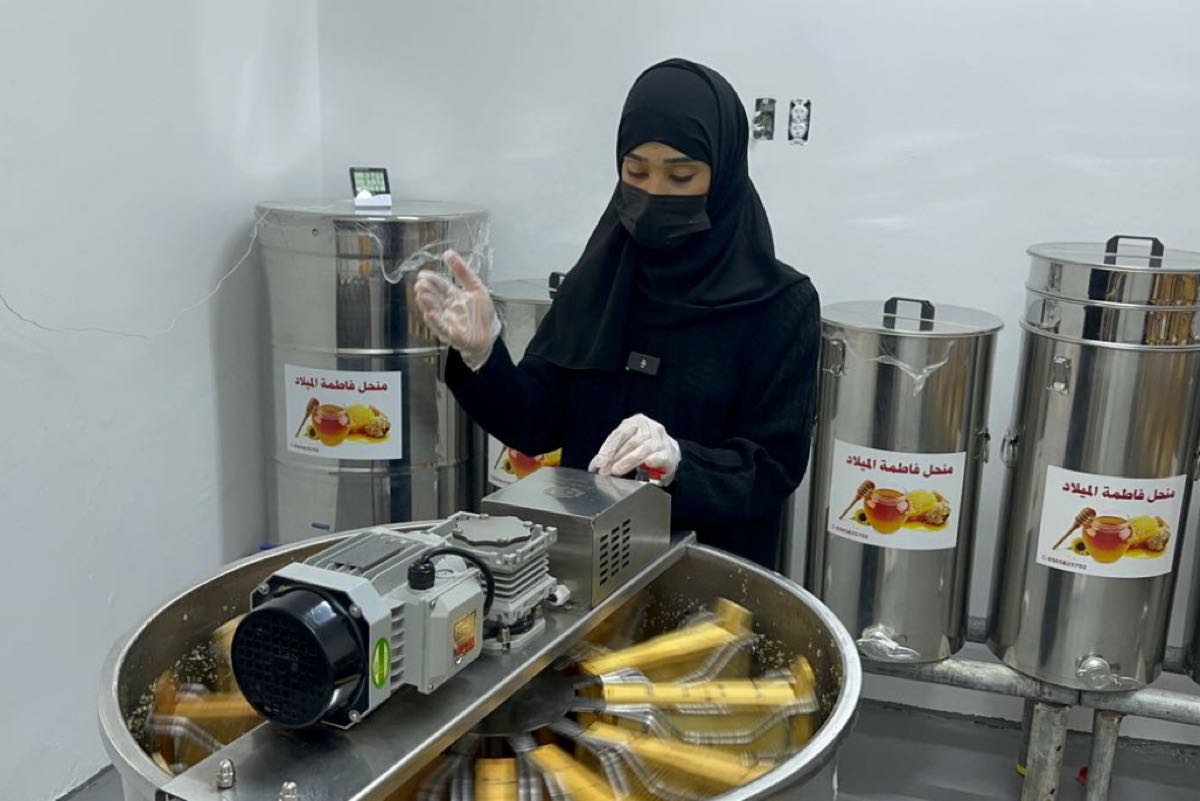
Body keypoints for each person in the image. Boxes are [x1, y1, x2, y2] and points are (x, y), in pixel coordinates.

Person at [415, 58, 820, 568]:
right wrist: (483, 355)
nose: (654, 194)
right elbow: (535, 423)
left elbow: (773, 466)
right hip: (585, 567)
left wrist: (681, 462)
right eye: (636, 172)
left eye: (681, 176)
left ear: (723, 175)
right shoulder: (599, 282)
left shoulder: (779, 306)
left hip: (710, 577)